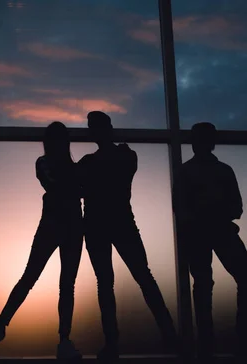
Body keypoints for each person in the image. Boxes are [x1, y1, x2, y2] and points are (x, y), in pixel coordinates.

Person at [78, 111, 181, 361]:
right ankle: (167, 335)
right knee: (138, 277)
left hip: (105, 224)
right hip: (115, 223)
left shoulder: (94, 162)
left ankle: (120, 342)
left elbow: (83, 189)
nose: (95, 131)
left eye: (96, 126)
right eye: (93, 127)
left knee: (122, 280)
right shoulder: (123, 155)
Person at [0, 121, 84, 360]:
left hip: (61, 225)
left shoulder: (53, 165)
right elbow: (66, 188)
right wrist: (75, 184)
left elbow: (64, 187)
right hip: (63, 225)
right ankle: (58, 339)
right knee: (45, 280)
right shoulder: (51, 164)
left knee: (51, 281)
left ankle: (3, 330)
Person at [175, 122, 247, 363]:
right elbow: (235, 206)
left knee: (205, 285)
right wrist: (216, 214)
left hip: (205, 232)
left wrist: (203, 215)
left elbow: (182, 209)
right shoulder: (219, 170)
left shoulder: (192, 171)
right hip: (214, 231)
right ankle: (238, 339)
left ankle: (209, 343)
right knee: (238, 280)